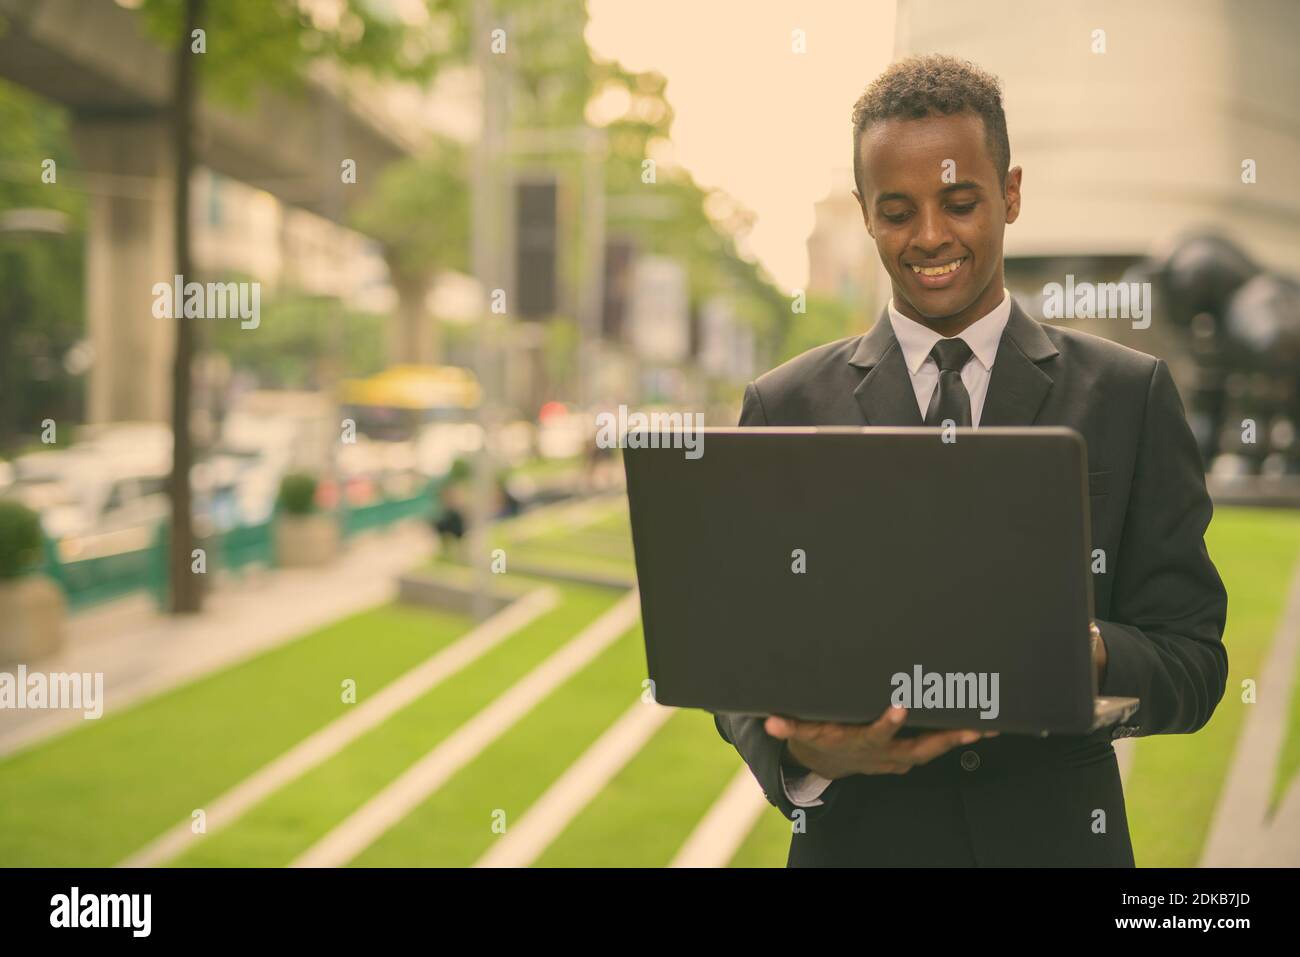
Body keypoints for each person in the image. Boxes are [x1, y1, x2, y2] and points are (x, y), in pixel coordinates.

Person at [714, 54, 1228, 867]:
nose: (930, 237)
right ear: (863, 214)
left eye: (960, 202)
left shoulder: (1131, 394)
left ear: (1011, 194)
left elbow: (1196, 662)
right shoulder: (785, 407)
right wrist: (810, 758)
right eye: (896, 211)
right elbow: (734, 660)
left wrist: (1085, 649)